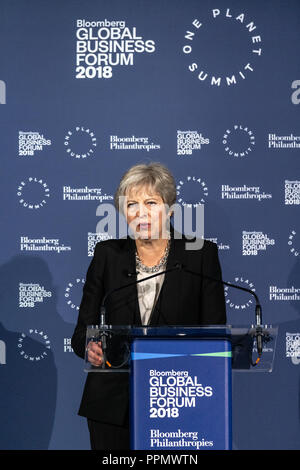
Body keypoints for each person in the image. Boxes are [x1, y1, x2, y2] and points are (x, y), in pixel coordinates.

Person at [71, 161, 226, 450]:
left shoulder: (200, 255)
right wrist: (90, 348)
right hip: (112, 405)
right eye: (131, 205)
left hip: (178, 399)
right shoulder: (107, 255)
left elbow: (216, 335)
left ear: (169, 209)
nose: (140, 213)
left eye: (151, 203)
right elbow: (81, 334)